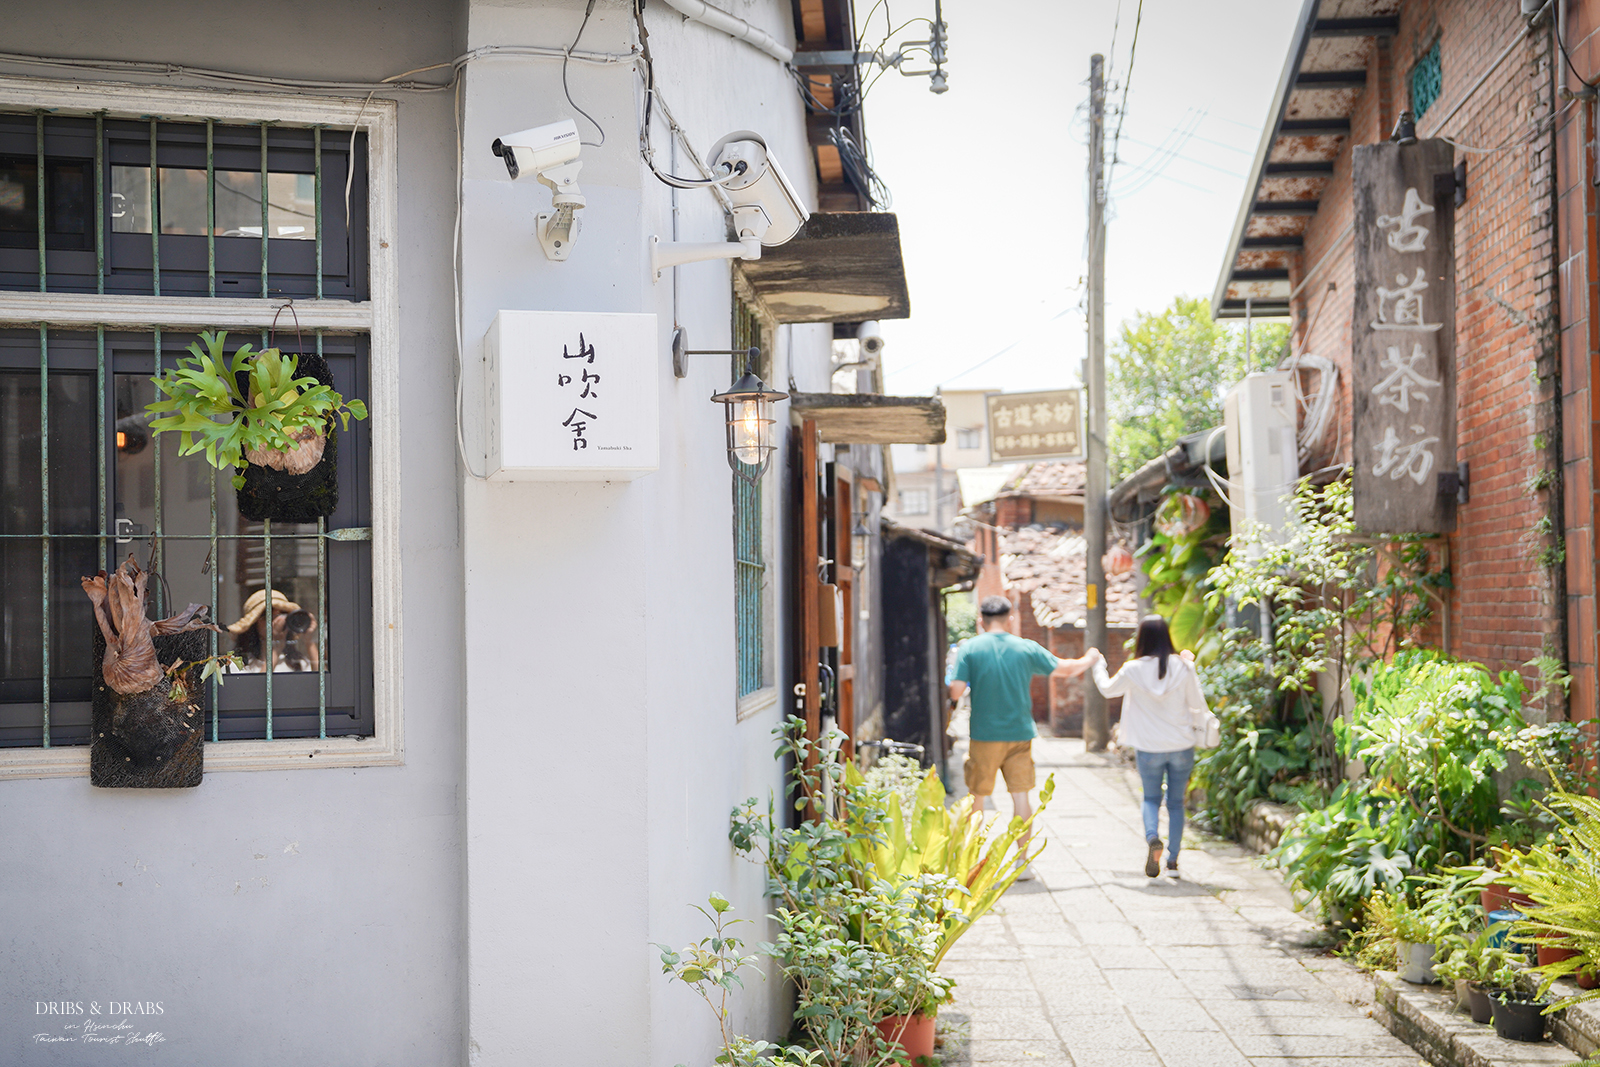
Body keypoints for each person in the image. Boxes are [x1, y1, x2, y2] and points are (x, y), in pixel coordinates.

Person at [947, 595, 1096, 880]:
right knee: (1020, 797)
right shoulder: (1026, 647)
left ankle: (969, 863)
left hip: (984, 734)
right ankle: (1022, 863)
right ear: (1010, 619)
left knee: (977, 797)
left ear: (981, 620)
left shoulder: (971, 648)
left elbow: (955, 690)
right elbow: (1067, 668)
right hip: (1020, 733)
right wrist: (1089, 658)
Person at [1087, 614, 1211, 879]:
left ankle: (1153, 837)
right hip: (1181, 745)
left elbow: (1108, 689)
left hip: (1148, 748)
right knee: (1176, 803)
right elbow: (1198, 704)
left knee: (1151, 798)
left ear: (1141, 638)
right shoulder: (1183, 667)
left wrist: (1099, 664)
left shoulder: (1133, 669)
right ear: (1167, 636)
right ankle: (1173, 863)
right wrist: (1190, 666)